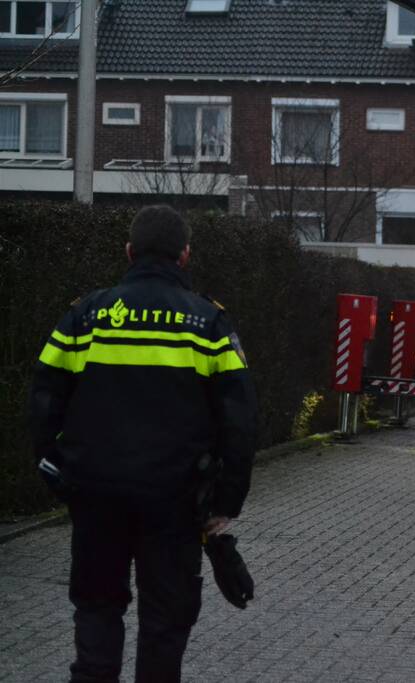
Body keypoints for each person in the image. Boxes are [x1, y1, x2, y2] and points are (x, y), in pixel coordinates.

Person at [28, 205, 257, 682]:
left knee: (96, 608)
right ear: (185, 255)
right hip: (176, 502)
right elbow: (240, 419)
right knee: (165, 622)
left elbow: (44, 399)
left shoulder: (85, 316)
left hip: (96, 496)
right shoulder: (207, 323)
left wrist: (57, 471)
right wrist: (225, 501)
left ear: (129, 252)